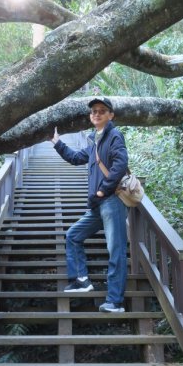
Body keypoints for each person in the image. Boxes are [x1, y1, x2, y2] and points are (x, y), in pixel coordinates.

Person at [51, 96, 129, 313]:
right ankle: (82, 280)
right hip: (97, 205)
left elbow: (121, 164)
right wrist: (58, 143)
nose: (97, 114)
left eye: (102, 110)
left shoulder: (114, 136)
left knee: (116, 250)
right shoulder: (94, 141)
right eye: (94, 111)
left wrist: (104, 189)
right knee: (73, 235)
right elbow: (76, 157)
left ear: (111, 115)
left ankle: (115, 302)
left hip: (111, 201)